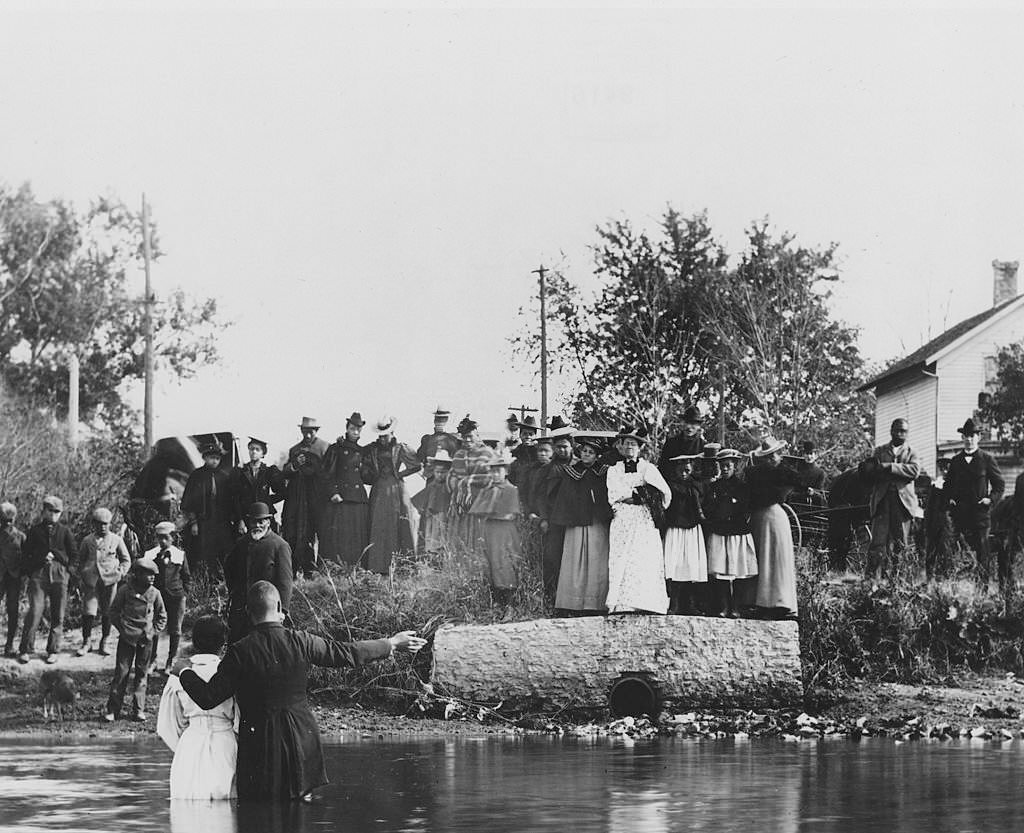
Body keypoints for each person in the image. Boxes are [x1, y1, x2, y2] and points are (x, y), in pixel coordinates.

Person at [178, 580, 425, 801]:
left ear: (249, 613)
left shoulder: (240, 651)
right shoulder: (301, 640)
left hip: (259, 743)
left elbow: (208, 697)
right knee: (298, 809)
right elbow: (347, 652)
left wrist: (183, 671)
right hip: (301, 738)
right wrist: (391, 643)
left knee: (260, 812)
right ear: (279, 609)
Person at [157, 615, 238, 800]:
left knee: (188, 804)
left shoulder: (178, 674)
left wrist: (184, 745)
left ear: (194, 642)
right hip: (225, 742)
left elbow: (167, 725)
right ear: (223, 644)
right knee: (226, 808)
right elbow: (240, 718)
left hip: (190, 745)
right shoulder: (229, 672)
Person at [605, 427, 672, 614]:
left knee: (644, 556)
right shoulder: (614, 470)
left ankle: (648, 601)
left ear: (640, 447)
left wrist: (644, 498)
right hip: (624, 517)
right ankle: (622, 603)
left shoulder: (648, 468)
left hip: (644, 518)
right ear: (620, 446)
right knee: (622, 557)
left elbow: (664, 493)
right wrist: (637, 493)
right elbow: (614, 494)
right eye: (626, 443)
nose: (629, 447)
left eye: (633, 444)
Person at [745, 438, 812, 620]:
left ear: (780, 454)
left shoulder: (786, 472)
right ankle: (761, 603)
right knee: (761, 557)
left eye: (775, 454)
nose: (772, 458)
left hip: (775, 517)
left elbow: (801, 484)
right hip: (758, 518)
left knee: (777, 558)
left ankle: (781, 603)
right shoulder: (754, 473)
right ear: (763, 458)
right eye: (767, 456)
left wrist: (786, 491)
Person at [551, 437, 612, 615]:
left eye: (591, 452)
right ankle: (572, 602)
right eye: (584, 451)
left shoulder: (603, 473)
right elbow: (564, 498)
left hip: (597, 521)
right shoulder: (571, 472)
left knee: (597, 559)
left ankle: (595, 603)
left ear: (597, 455)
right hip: (576, 522)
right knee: (574, 559)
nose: (587, 454)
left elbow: (607, 495)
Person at [105, 557, 167, 721]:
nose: (152, 577)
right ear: (138, 574)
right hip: (127, 639)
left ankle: (138, 710)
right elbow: (113, 612)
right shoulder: (125, 590)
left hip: (145, 640)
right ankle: (113, 710)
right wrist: (123, 629)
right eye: (148, 574)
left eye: (154, 575)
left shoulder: (155, 593)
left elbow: (162, 617)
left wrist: (152, 632)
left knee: (142, 674)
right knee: (121, 673)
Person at [945, 418, 1005, 587]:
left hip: (980, 515)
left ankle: (982, 593)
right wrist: (949, 499)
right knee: (954, 553)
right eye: (966, 436)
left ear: (978, 437)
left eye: (972, 436)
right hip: (960, 516)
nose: (969, 439)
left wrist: (990, 500)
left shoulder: (987, 459)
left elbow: (999, 485)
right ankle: (954, 589)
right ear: (962, 438)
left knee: (983, 555)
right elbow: (948, 485)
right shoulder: (956, 461)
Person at [17, 496, 77, 664]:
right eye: (50, 511)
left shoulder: (65, 531)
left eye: (57, 512)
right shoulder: (35, 531)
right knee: (35, 611)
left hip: (60, 575)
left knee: (58, 614)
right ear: (43, 511)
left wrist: (68, 571)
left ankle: (53, 650)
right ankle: (25, 648)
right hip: (39, 575)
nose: (53, 515)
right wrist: (36, 565)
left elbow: (74, 556)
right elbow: (26, 555)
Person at [861, 418, 923, 578]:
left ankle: (899, 581)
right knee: (878, 543)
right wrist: (876, 469)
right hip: (882, 502)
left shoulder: (912, 452)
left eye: (904, 431)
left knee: (901, 543)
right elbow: (871, 472)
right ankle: (871, 580)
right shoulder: (880, 451)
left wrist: (890, 467)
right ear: (891, 431)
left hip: (902, 504)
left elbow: (914, 471)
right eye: (897, 430)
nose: (900, 434)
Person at [223, 502, 293, 643]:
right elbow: (229, 567)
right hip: (241, 608)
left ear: (268, 522)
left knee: (262, 648)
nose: (257, 525)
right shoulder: (241, 543)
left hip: (266, 610)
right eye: (253, 521)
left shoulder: (279, 545)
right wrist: (235, 591)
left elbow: (285, 582)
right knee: (238, 646)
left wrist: (282, 611)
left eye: (261, 521)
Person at [361, 417, 422, 573]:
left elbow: (416, 465)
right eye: (380, 435)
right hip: (379, 488)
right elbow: (362, 463)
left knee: (399, 522)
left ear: (392, 432)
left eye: (385, 435)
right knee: (378, 523)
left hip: (396, 488)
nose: (382, 438)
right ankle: (378, 566)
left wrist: (400, 473)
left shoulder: (400, 447)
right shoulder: (372, 449)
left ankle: (403, 566)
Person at [704, 448, 758, 617]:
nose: (725, 469)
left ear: (734, 466)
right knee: (720, 571)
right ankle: (724, 606)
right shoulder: (713, 487)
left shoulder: (743, 487)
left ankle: (736, 606)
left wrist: (731, 513)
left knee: (738, 571)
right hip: (720, 533)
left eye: (728, 465)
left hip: (737, 533)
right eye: (722, 465)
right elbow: (709, 508)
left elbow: (745, 508)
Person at [468, 452, 522, 604]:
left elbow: (510, 514)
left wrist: (488, 514)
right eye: (493, 470)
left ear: (506, 472)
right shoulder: (488, 490)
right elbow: (476, 511)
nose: (496, 474)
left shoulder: (511, 489)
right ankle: (497, 602)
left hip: (504, 532)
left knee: (505, 563)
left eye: (499, 470)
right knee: (490, 563)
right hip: (489, 531)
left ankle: (510, 604)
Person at [76, 507, 131, 657]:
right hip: (91, 581)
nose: (103, 527)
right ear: (94, 524)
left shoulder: (116, 539)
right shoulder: (87, 540)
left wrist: (120, 573)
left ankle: (104, 641)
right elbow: (80, 560)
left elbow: (126, 560)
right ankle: (86, 642)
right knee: (88, 612)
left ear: (110, 524)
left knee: (108, 612)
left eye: (106, 524)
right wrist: (84, 574)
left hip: (110, 581)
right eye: (99, 524)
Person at [661, 449, 710, 615]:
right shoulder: (669, 484)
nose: (684, 469)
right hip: (675, 527)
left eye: (687, 465)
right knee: (674, 563)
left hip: (692, 528)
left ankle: (690, 603)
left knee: (691, 563)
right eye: (680, 465)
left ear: (692, 466)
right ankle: (673, 603)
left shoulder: (697, 485)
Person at [281, 417, 329, 578]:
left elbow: (329, 472)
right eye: (305, 431)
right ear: (301, 431)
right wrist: (295, 465)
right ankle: (300, 569)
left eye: (311, 431)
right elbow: (285, 471)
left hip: (318, 496)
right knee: (298, 531)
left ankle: (319, 570)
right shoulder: (295, 449)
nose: (308, 435)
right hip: (298, 496)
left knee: (319, 531)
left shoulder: (324, 447)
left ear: (316, 431)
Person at [320, 413, 370, 567]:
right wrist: (333, 492)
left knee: (356, 536)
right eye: (352, 428)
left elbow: (367, 477)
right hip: (341, 499)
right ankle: (336, 569)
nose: (355, 432)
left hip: (358, 499)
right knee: (339, 537)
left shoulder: (362, 451)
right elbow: (326, 474)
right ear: (347, 429)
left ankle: (356, 569)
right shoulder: (336, 449)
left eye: (358, 429)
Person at [181, 440, 234, 577]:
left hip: (221, 522)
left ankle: (220, 580)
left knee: (222, 551)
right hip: (203, 522)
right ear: (205, 458)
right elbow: (188, 501)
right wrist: (193, 523)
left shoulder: (224, 477)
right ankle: (204, 582)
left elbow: (230, 501)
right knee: (203, 553)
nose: (214, 461)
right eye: (211, 458)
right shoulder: (196, 476)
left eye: (217, 458)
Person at [534, 425, 574, 601]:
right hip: (553, 520)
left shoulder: (579, 465)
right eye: (558, 447)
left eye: (565, 446)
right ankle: (551, 597)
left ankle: (572, 598)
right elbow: (541, 496)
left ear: (572, 447)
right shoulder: (548, 469)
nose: (562, 450)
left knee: (573, 559)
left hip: (574, 520)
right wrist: (543, 518)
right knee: (552, 558)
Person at [447, 415, 498, 553]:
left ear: (477, 435)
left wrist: (466, 482)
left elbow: (491, 477)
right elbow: (452, 475)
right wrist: (457, 487)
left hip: (481, 501)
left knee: (479, 536)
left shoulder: (487, 453)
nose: (468, 439)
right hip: (461, 504)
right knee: (461, 536)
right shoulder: (459, 454)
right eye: (465, 436)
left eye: (470, 436)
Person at [146, 521, 192, 673]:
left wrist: (184, 594)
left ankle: (170, 660)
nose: (162, 541)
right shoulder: (152, 555)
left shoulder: (179, 555)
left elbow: (186, 577)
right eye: (159, 538)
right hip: (158, 598)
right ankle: (152, 660)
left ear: (173, 537)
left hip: (176, 597)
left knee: (175, 629)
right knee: (155, 627)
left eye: (166, 537)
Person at [229, 437, 286, 534]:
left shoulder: (269, 472)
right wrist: (240, 520)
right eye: (251, 449)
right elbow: (235, 497)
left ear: (263, 453)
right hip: (246, 516)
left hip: (263, 515)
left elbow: (282, 492)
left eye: (257, 449)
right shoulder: (240, 472)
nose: (254, 452)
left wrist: (267, 500)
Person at [413, 449, 454, 556]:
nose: (440, 475)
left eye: (443, 472)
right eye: (437, 472)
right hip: (432, 521)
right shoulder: (431, 486)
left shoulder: (450, 487)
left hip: (445, 518)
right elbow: (420, 504)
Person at [1, 502, 25, 658]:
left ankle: (9, 644)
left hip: (14, 578)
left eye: (10, 519)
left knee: (13, 610)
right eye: (4, 519)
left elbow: (26, 558)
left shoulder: (21, 536)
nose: (8, 522)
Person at [924, 457, 954, 579]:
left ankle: (945, 579)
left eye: (947, 469)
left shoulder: (953, 486)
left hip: (948, 524)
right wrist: (927, 525)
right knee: (931, 551)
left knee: (945, 551)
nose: (945, 472)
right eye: (942, 469)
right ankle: (929, 578)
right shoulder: (934, 486)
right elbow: (929, 507)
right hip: (933, 523)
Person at [508, 415, 540, 486]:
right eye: (525, 433)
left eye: (531, 434)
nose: (528, 436)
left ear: (535, 436)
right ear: (520, 435)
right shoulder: (514, 453)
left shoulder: (539, 453)